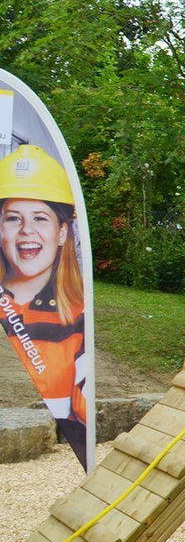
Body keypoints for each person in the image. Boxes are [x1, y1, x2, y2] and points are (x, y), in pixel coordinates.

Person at [0, 145, 89, 466]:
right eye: (13, 218)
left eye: (40, 217)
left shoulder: (80, 321)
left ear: (62, 231)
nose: (27, 231)